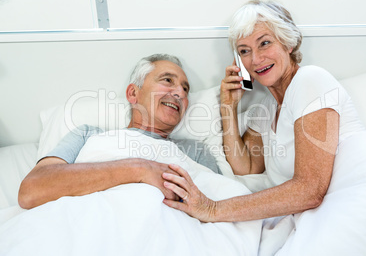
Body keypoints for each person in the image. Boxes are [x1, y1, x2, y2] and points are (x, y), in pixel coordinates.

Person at [162, 0, 366, 223]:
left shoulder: (310, 80)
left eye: (265, 43)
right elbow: (245, 168)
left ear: (287, 43)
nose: (256, 59)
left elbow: (310, 190)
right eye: (244, 51)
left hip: (352, 202)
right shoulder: (266, 106)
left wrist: (213, 209)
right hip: (313, 213)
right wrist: (228, 106)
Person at [18, 53, 221, 210]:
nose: (179, 93)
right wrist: (139, 169)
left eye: (185, 89)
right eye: (167, 80)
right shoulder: (87, 135)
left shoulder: (195, 151)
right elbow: (32, 189)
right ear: (133, 93)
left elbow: (220, 206)